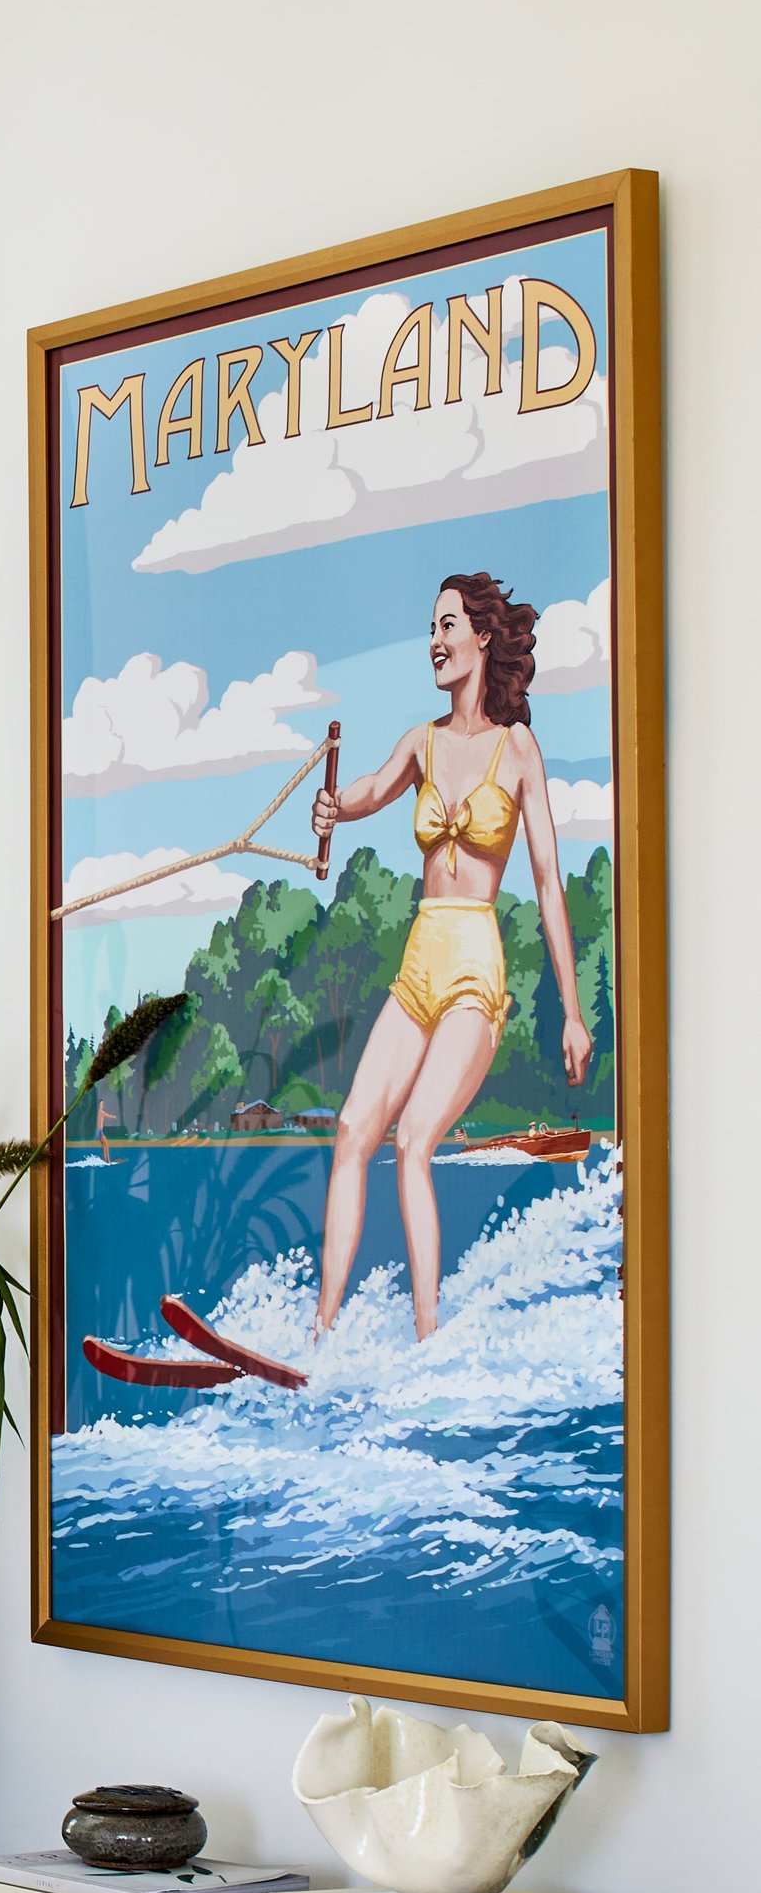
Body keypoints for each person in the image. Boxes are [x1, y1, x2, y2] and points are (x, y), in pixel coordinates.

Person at [310, 572, 590, 1340]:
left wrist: (571, 1011)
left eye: (446, 626)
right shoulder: (422, 742)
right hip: (418, 964)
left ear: (483, 636)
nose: (434, 642)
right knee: (352, 1132)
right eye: (430, 629)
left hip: (474, 970)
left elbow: (546, 884)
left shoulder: (518, 748)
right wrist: (333, 806)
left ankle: (427, 1335)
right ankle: (320, 1338)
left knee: (413, 1141)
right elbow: (366, 789)